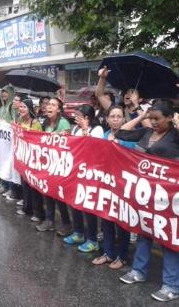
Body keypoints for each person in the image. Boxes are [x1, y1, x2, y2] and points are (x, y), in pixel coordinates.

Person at [116, 100, 179, 302]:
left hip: (169, 197)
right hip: (146, 194)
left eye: (157, 119)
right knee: (144, 231)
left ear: (170, 118)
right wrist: (141, 116)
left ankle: (172, 285)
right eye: (151, 118)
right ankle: (138, 271)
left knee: (169, 237)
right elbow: (121, 133)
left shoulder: (175, 136)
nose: (153, 122)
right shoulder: (145, 132)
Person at [92, 105, 135, 269]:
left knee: (122, 223)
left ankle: (122, 256)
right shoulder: (104, 136)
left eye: (119, 116)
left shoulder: (130, 137)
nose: (116, 119)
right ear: (107, 119)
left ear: (124, 119)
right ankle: (108, 253)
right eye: (113, 116)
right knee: (107, 220)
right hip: (106, 183)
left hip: (123, 186)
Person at [63, 104, 104, 252]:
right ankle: (78, 232)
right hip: (76, 171)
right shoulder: (75, 129)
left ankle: (92, 239)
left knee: (88, 207)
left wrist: (86, 129)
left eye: (78, 115)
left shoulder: (97, 130)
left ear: (87, 117)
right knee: (75, 203)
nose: (75, 118)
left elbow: (93, 147)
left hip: (91, 174)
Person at [36, 97, 72, 236]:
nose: (49, 107)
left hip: (59, 165)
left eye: (53, 105)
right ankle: (49, 221)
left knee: (58, 196)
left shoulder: (63, 123)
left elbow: (68, 144)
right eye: (48, 104)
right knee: (48, 193)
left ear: (58, 109)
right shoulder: (46, 123)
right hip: (48, 164)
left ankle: (66, 224)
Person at [15, 99, 44, 221]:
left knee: (33, 186)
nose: (21, 109)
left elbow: (40, 139)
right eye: (20, 107)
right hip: (23, 157)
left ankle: (38, 212)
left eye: (24, 107)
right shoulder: (19, 121)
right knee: (25, 184)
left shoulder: (36, 123)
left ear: (29, 109)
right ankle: (27, 208)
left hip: (33, 159)